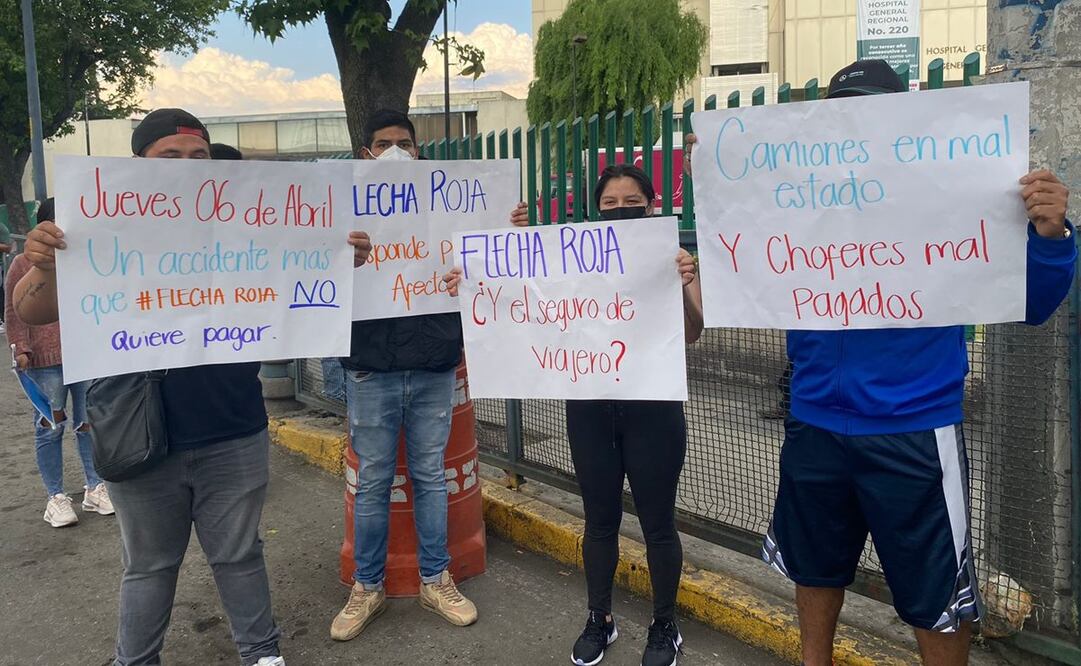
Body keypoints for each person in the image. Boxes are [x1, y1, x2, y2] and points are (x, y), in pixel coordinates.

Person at [686, 59, 1076, 666]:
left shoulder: (951, 192)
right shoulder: (797, 200)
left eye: (872, 113)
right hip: (814, 420)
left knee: (937, 594)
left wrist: (1051, 237)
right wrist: (719, 178)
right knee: (815, 568)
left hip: (915, 427)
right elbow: (739, 272)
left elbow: (1030, 305)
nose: (856, 128)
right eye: (845, 113)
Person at [14, 108, 373, 666]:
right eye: (170, 156)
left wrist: (335, 259)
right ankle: (136, 658)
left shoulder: (245, 223)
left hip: (232, 424)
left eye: (198, 156)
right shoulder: (94, 219)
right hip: (140, 428)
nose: (186, 167)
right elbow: (32, 310)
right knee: (150, 563)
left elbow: (297, 277)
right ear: (138, 163)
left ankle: (262, 654)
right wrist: (45, 264)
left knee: (240, 554)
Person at [447, 163, 704, 666]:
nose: (621, 209)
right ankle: (599, 618)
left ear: (652, 205)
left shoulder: (670, 259)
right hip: (590, 409)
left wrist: (685, 284)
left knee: (657, 524)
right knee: (599, 520)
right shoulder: (573, 261)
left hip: (654, 410)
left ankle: (665, 624)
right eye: (609, 203)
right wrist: (489, 267)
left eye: (632, 201)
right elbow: (525, 291)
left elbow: (693, 331)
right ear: (596, 209)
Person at [330, 109, 478, 643]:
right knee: (373, 482)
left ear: (419, 152)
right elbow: (308, 274)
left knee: (430, 476)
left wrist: (509, 230)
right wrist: (339, 256)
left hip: (434, 365)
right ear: (363, 154)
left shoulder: (448, 206)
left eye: (404, 143)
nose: (394, 151)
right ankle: (367, 586)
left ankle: (436, 578)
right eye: (382, 142)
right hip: (371, 369)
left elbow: (487, 257)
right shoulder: (341, 212)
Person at [5, 198, 113, 527]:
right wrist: (20, 346)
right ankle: (55, 496)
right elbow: (13, 308)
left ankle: (95, 487)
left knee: (88, 425)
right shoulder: (25, 263)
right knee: (50, 429)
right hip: (43, 362)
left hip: (84, 357)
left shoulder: (89, 259)